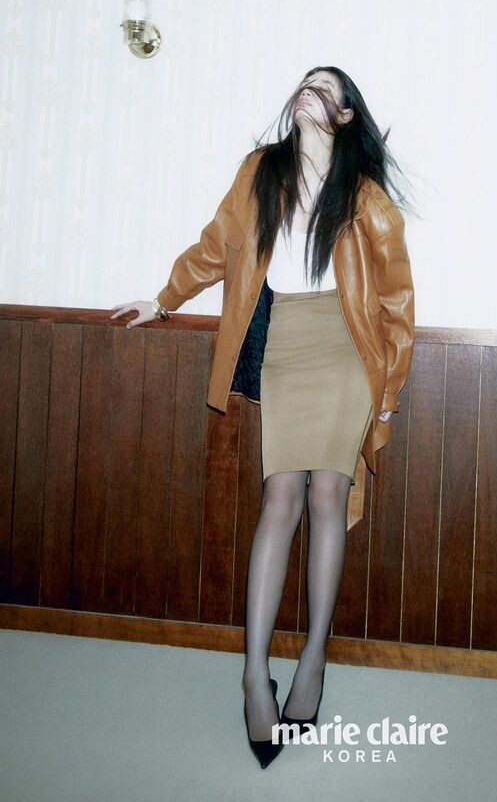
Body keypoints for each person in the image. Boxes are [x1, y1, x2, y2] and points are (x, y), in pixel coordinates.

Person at [110, 66, 415, 769]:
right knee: (281, 497)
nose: (311, 89)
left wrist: (391, 385)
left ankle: (313, 659)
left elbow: (397, 297)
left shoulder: (365, 195)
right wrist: (164, 299)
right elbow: (216, 246)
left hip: (347, 347)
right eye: (306, 81)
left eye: (327, 87)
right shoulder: (261, 172)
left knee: (328, 493)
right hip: (283, 343)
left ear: (344, 115)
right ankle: (254, 674)